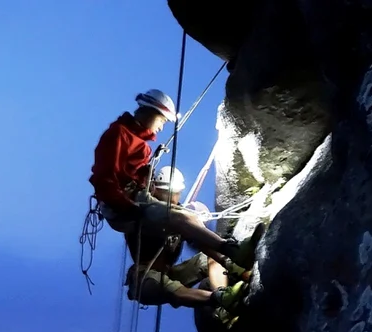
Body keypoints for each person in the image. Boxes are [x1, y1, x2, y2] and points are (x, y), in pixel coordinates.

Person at [88, 88, 264, 274]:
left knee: (189, 216)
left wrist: (145, 174)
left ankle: (231, 259)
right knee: (179, 219)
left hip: (135, 201)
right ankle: (233, 252)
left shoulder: (141, 145)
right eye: (162, 120)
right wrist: (129, 207)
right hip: (121, 208)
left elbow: (132, 177)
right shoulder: (118, 134)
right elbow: (103, 178)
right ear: (150, 111)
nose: (162, 127)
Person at [123, 166, 248, 323]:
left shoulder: (178, 216)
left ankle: (232, 287)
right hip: (144, 277)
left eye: (176, 193)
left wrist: (227, 260)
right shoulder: (145, 212)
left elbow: (199, 241)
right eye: (169, 193)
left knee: (209, 258)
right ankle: (221, 300)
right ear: (155, 189)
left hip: (170, 273)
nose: (174, 197)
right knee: (175, 292)